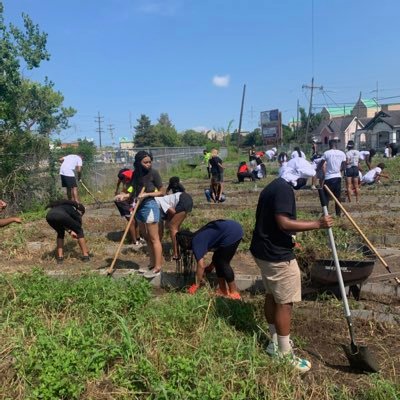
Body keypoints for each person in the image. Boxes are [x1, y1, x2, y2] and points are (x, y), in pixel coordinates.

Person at [250, 163, 333, 373]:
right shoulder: (284, 190)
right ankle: (285, 354)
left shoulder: (272, 186)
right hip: (277, 256)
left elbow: (272, 223)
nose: (303, 184)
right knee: (285, 302)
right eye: (303, 180)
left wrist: (290, 239)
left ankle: (274, 343)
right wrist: (318, 224)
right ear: (297, 177)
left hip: (263, 250)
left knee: (272, 295)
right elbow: (283, 222)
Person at [187, 219, 243, 300]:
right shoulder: (197, 237)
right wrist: (210, 267)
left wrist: (196, 284)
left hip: (232, 233)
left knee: (223, 262)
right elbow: (215, 260)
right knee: (217, 259)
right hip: (232, 228)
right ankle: (222, 290)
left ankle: (234, 293)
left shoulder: (196, 243)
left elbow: (201, 266)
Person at [130, 151, 165, 278]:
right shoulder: (135, 174)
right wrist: (123, 196)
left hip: (150, 205)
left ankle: (158, 266)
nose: (148, 164)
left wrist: (147, 194)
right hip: (139, 207)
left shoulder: (153, 173)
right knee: (147, 238)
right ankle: (151, 263)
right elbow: (132, 191)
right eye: (145, 162)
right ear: (139, 163)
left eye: (150, 162)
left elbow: (162, 192)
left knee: (154, 237)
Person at [46, 200, 90, 264]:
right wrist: (76, 230)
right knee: (79, 231)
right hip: (61, 216)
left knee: (60, 232)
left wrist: (70, 231)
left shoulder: (61, 207)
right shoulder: (73, 209)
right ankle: (86, 255)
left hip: (49, 216)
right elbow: (78, 225)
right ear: (79, 210)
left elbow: (62, 222)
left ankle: (60, 258)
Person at [155, 192, 193, 260]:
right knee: (176, 228)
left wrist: (168, 221)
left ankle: (176, 254)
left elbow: (172, 211)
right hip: (185, 199)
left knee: (172, 227)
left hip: (183, 199)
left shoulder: (156, 201)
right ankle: (184, 249)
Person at [114, 168, 143, 245]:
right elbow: (129, 195)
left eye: (124, 180)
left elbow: (131, 194)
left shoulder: (133, 179)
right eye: (123, 180)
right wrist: (117, 192)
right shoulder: (127, 178)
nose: (124, 182)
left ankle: (138, 238)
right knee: (132, 221)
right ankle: (135, 242)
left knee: (136, 220)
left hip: (127, 199)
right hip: (122, 202)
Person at [322, 139, 346, 217]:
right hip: (338, 177)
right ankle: (338, 214)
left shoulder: (326, 153)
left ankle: (325, 213)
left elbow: (321, 163)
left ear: (329, 145)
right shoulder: (342, 153)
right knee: (337, 197)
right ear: (336, 145)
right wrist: (339, 170)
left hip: (328, 177)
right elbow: (344, 165)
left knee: (326, 197)